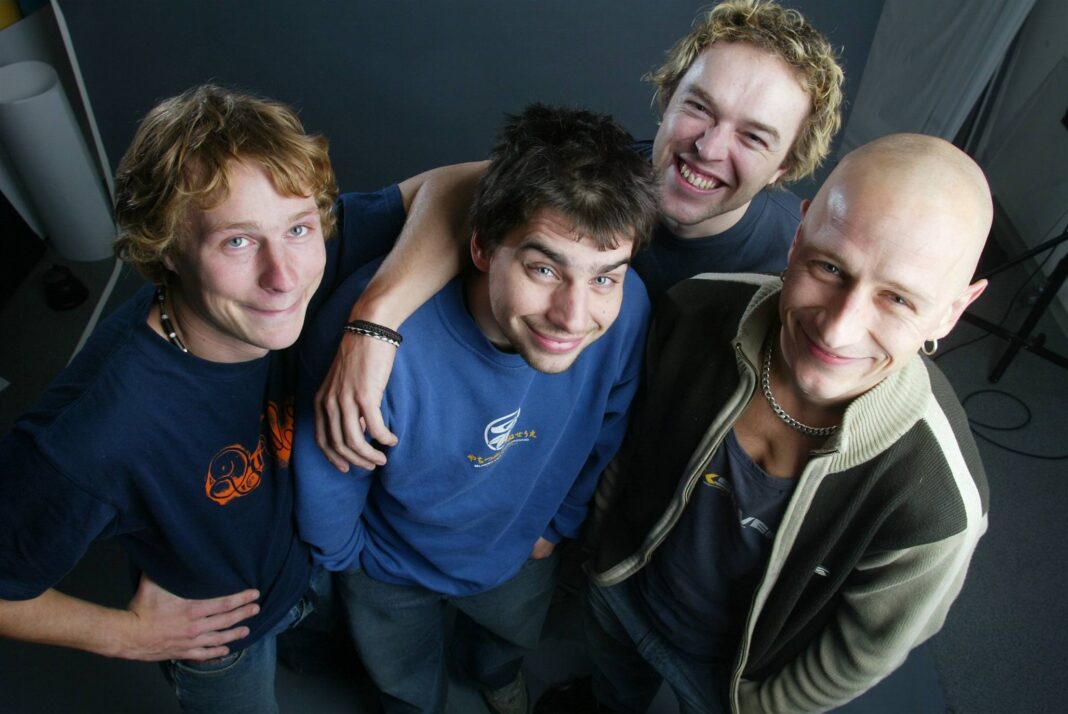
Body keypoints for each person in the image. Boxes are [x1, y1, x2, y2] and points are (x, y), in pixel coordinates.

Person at [0, 84, 468, 713]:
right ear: (168, 249)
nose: (284, 277)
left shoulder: (301, 259)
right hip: (222, 638)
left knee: (328, 649)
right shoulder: (101, 433)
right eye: (237, 242)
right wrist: (128, 635)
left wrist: (375, 323)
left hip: (310, 558)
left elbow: (473, 183)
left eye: (299, 228)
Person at [548, 133, 991, 713]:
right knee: (611, 693)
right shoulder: (694, 311)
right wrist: (601, 559)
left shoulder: (940, 501)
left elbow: (862, 650)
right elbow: (632, 452)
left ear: (953, 311)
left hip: (736, 683)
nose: (837, 330)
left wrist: (758, 708)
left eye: (899, 300)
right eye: (829, 267)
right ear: (797, 235)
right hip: (625, 592)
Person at [313, 0, 845, 471]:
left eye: (753, 137)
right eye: (699, 108)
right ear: (667, 96)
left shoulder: (791, 263)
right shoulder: (596, 173)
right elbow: (464, 187)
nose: (708, 148)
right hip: (513, 456)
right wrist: (375, 321)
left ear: (786, 166)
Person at [292, 104, 658, 714]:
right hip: (390, 564)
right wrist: (351, 560)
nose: (573, 317)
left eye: (604, 278)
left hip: (520, 551)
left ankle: (494, 675)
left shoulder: (627, 311)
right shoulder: (372, 340)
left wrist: (556, 525)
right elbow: (329, 466)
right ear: (483, 248)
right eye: (544, 269)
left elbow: (609, 424)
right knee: (402, 676)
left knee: (505, 643)